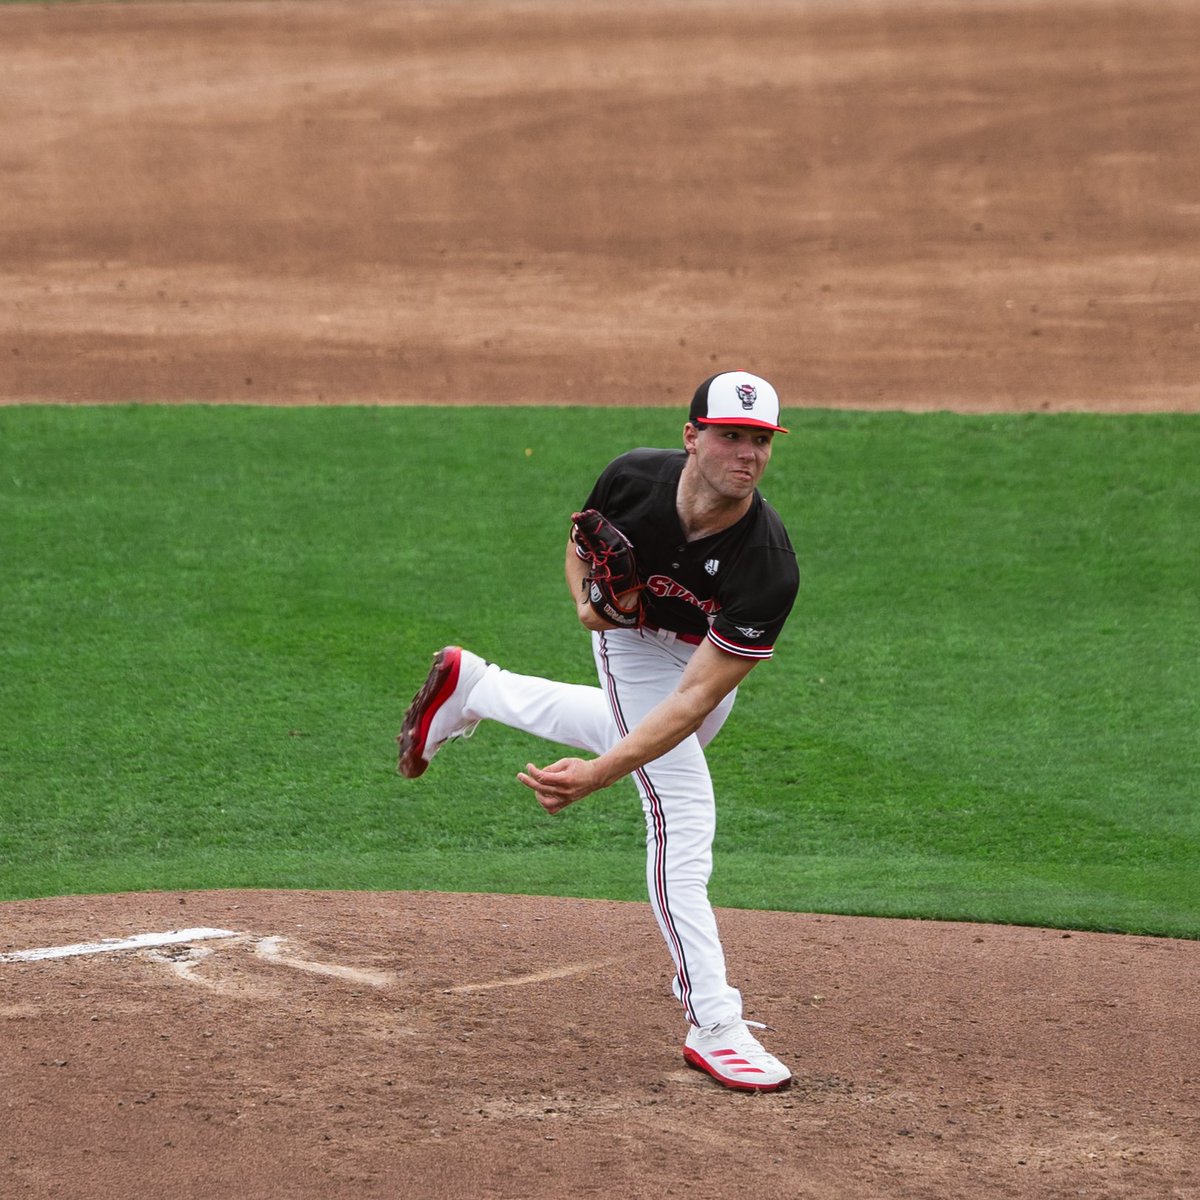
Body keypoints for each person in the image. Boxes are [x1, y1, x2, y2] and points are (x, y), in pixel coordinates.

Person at [396, 370, 800, 1092]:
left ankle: (477, 687)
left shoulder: (767, 563)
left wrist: (599, 772)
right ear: (692, 437)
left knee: (652, 749)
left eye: (760, 440)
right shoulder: (633, 479)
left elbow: (693, 700)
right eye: (731, 436)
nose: (747, 453)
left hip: (698, 663)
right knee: (682, 811)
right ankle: (714, 1022)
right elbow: (581, 550)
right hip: (633, 643)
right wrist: (589, 609)